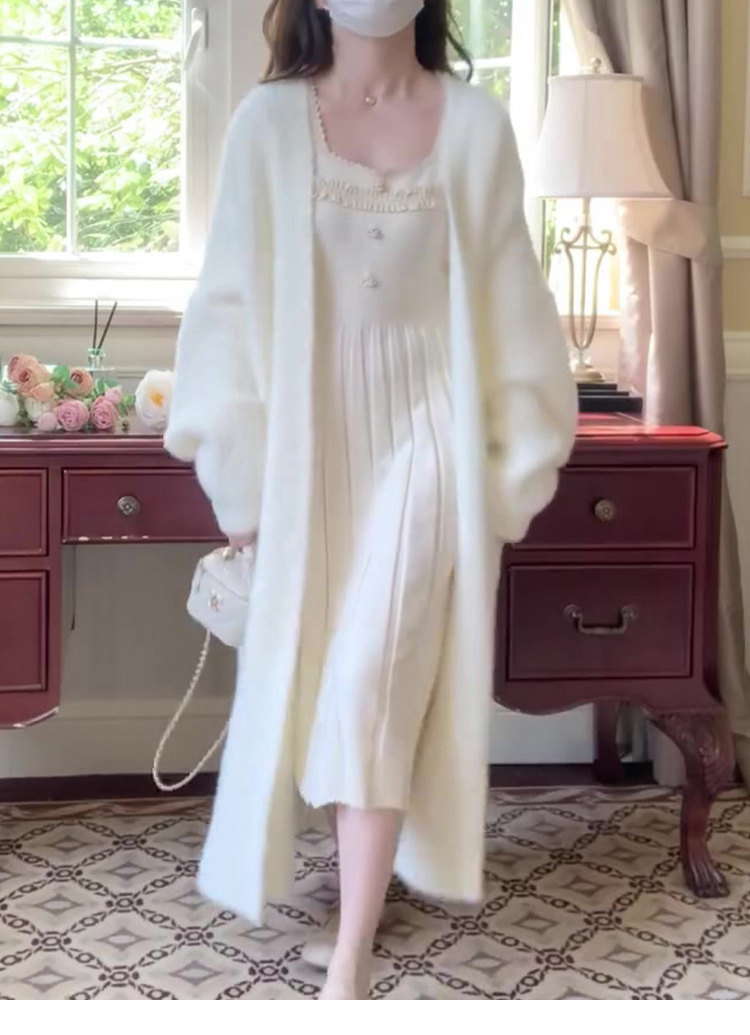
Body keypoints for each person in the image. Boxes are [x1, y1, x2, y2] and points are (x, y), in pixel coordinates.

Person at [164, 0, 578, 1000]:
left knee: (371, 681)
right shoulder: (269, 124)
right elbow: (227, 309)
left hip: (431, 444)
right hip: (311, 452)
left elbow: (517, 309)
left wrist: (510, 475)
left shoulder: (475, 126)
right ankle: (359, 894)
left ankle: (349, 954)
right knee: (328, 684)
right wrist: (238, 475)